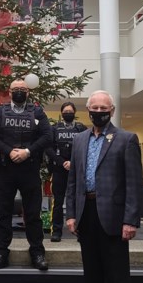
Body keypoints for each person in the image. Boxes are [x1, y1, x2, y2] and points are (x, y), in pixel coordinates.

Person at [65, 89, 141, 283]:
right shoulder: (79, 139)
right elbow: (74, 180)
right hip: (86, 217)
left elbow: (134, 184)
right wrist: (71, 214)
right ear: (88, 109)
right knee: (92, 282)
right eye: (94, 107)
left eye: (103, 107)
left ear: (112, 109)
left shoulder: (126, 139)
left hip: (114, 219)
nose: (99, 110)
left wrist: (131, 220)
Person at [0, 78, 52, 271]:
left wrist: (27, 152)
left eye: (23, 89)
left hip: (29, 168)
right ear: (10, 91)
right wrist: (9, 151)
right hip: (6, 169)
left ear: (28, 92)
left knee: (33, 214)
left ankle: (37, 252)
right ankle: (1, 252)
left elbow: (48, 136)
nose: (20, 91)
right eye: (16, 89)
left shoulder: (37, 111)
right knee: (3, 213)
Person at [47, 102, 87, 242]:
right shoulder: (55, 129)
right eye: (65, 111)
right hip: (59, 169)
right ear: (62, 113)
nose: (68, 113)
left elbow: (86, 147)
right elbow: (48, 148)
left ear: (74, 112)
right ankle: (56, 231)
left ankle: (80, 230)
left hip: (76, 170)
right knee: (58, 202)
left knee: (79, 200)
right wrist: (61, 161)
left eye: (70, 111)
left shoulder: (81, 128)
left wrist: (73, 162)